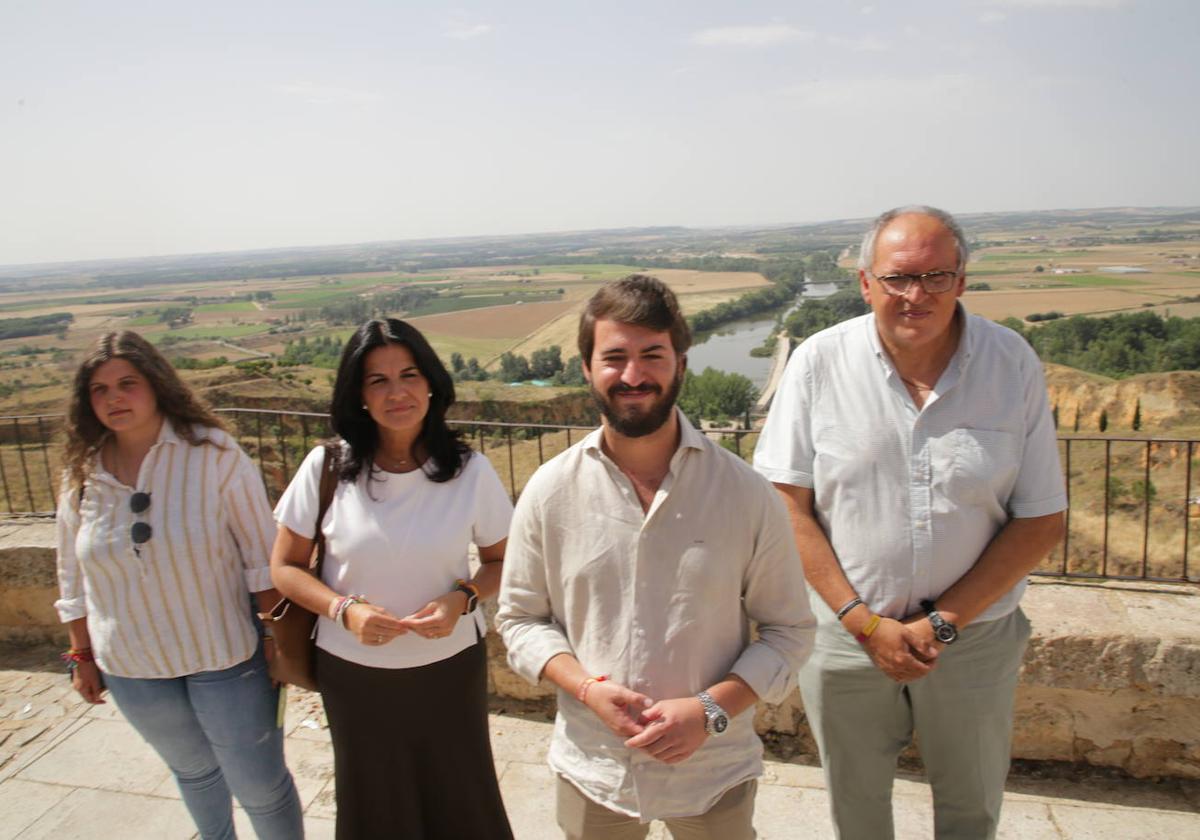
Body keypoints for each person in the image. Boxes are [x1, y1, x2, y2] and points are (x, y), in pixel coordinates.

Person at [754, 206, 1068, 839]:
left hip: (974, 639)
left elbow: (1041, 519)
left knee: (971, 809)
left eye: (936, 275)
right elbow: (785, 503)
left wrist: (944, 623)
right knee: (857, 809)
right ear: (866, 283)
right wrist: (863, 622)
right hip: (846, 637)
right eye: (897, 278)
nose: (915, 295)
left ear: (962, 281)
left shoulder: (1011, 364)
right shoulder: (818, 364)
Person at [497, 274, 815, 840]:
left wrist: (709, 712)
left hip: (713, 770)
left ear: (681, 364)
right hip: (595, 770)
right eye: (614, 357)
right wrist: (589, 690)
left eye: (652, 355)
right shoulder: (550, 492)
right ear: (588, 369)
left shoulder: (746, 494)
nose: (633, 375)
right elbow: (520, 620)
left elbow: (788, 631)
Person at [54, 330, 303, 840]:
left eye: (127, 383)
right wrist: (81, 655)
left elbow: (261, 557)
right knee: (194, 774)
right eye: (100, 390)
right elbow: (72, 576)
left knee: (260, 788)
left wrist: (278, 642)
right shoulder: (82, 475)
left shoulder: (212, 454)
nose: (114, 398)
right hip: (133, 668)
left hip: (223, 658)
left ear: (157, 385)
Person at [270, 317, 514, 840]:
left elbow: (501, 559)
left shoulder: (470, 471)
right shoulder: (327, 467)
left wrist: (463, 599)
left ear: (431, 383)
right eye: (377, 380)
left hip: (448, 671)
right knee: (374, 803)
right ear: (358, 394)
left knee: (461, 796)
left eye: (409, 374)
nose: (397, 392)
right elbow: (284, 567)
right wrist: (345, 610)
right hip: (354, 676)